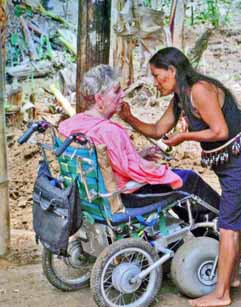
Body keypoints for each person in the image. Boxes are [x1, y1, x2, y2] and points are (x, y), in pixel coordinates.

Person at [118, 47, 241, 307]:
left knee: (227, 223)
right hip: (230, 163)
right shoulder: (180, 98)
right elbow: (158, 129)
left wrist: (184, 137)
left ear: (173, 71)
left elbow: (219, 130)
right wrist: (128, 117)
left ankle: (221, 294)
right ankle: (231, 277)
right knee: (233, 219)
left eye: (158, 76)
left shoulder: (199, 90)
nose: (156, 83)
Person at [58, 64, 220, 218]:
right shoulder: (109, 131)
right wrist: (158, 169)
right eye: (116, 91)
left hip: (92, 195)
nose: (122, 94)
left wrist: (139, 155)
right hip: (124, 196)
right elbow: (133, 171)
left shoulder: (69, 125)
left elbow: (107, 161)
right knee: (188, 180)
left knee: (176, 180)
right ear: (99, 99)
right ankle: (221, 225)